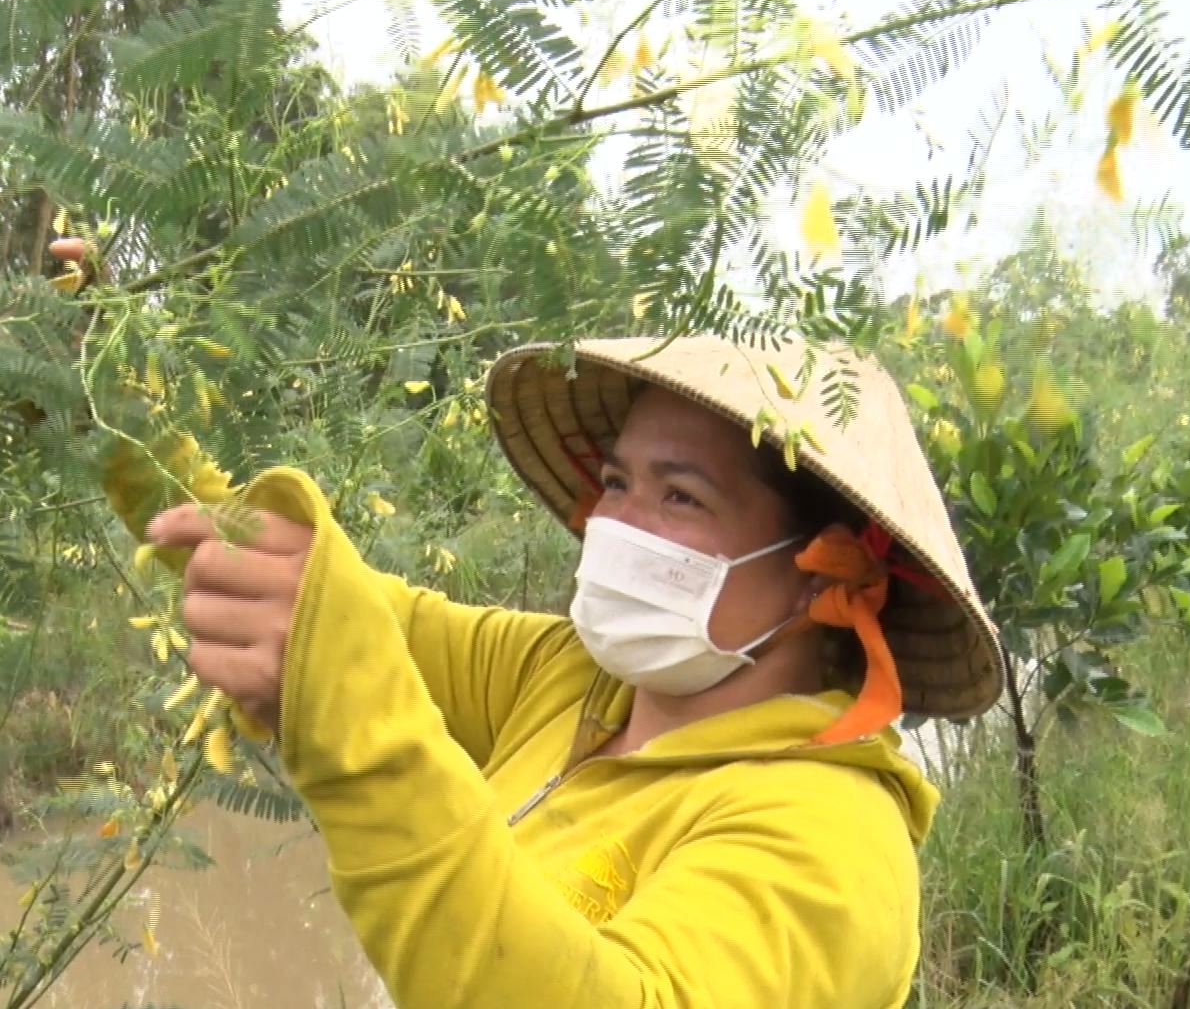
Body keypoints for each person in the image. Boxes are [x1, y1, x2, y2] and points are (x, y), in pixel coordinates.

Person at [56, 241, 1001, 1006]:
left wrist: (350, 724)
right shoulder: (568, 680)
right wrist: (108, 410)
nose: (614, 525)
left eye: (681, 498)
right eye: (620, 483)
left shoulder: (832, 843)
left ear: (821, 573)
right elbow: (316, 601)